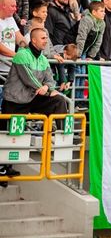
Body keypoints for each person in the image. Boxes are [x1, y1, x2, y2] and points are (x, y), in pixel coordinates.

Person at [1, 27, 68, 179]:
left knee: (59, 100)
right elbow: (28, 79)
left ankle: (61, 137)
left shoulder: (43, 59)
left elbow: (50, 80)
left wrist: (48, 88)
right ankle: (4, 168)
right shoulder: (21, 55)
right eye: (43, 38)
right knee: (9, 136)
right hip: (14, 101)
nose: (46, 41)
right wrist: (46, 90)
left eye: (47, 38)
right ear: (34, 40)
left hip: (32, 98)